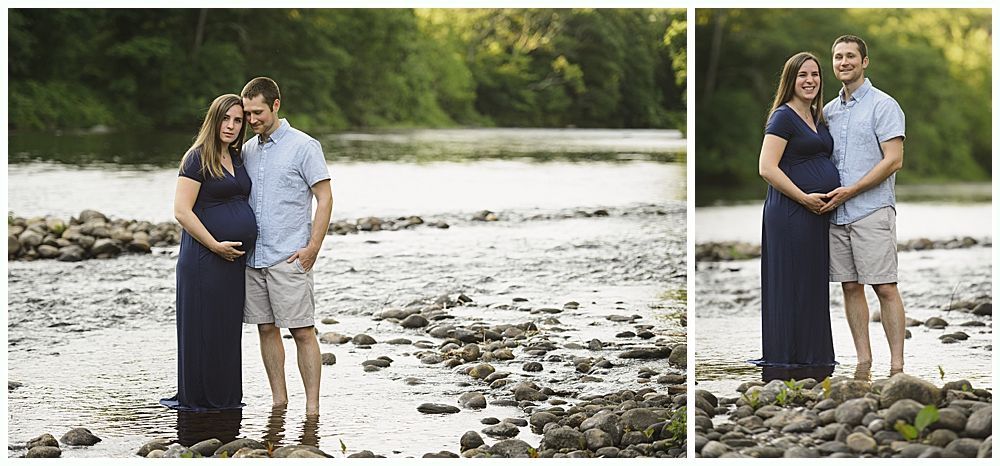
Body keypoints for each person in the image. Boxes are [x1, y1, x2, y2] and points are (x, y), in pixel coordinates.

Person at [240, 77, 333, 415]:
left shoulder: (304, 146)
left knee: (303, 331)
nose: (252, 120)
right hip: (254, 259)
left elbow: (325, 198)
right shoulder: (247, 150)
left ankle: (312, 409)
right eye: (248, 113)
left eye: (258, 112)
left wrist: (313, 248)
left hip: (290, 256)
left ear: (276, 105)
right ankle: (279, 402)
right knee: (266, 329)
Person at [161, 94, 257, 411]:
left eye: (238, 120)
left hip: (232, 261)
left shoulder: (237, 157)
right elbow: (182, 211)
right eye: (225, 119)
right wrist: (215, 245)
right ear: (213, 120)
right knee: (203, 329)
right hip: (204, 258)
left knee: (225, 330)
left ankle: (226, 399)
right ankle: (201, 400)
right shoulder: (197, 158)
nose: (231, 126)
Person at [819, 35, 906, 376]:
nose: (844, 62)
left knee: (884, 286)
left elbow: (894, 160)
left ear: (864, 61)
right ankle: (863, 362)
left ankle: (897, 367)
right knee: (850, 286)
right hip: (837, 214)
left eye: (851, 56)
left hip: (871, 210)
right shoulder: (828, 111)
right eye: (838, 56)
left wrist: (852, 190)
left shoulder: (884, 105)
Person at [749, 52, 840, 373]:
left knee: (811, 283)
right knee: (791, 283)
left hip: (815, 214)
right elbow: (766, 167)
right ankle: (786, 359)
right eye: (803, 75)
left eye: (815, 74)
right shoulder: (783, 117)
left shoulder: (817, 117)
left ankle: (814, 358)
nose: (810, 80)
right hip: (790, 212)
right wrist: (803, 198)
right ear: (791, 80)